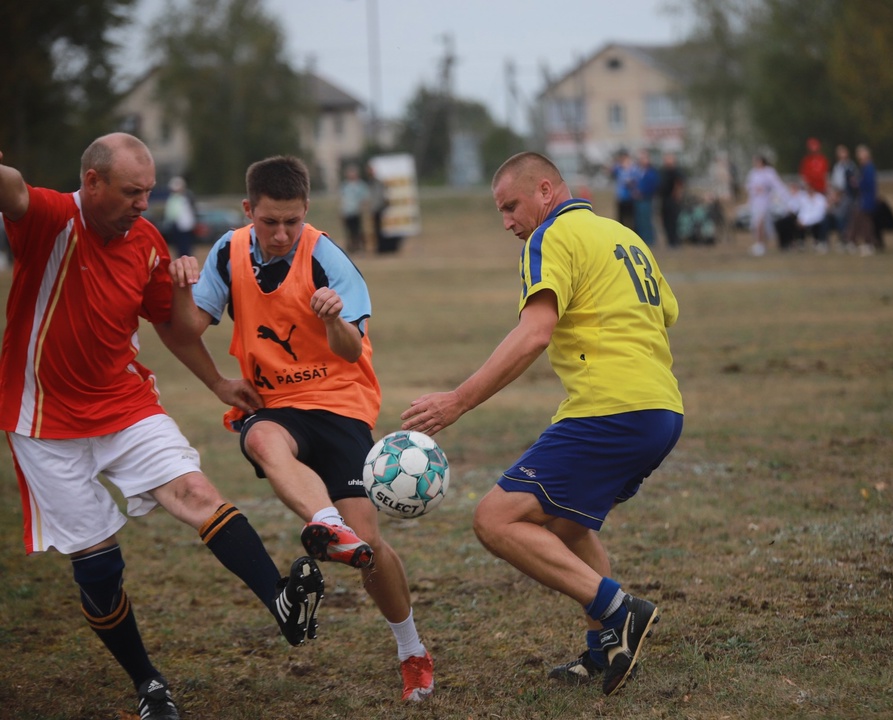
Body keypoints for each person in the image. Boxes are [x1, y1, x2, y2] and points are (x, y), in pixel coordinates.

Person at [0, 134, 323, 720]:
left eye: (148, 191)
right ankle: (149, 685)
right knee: (100, 567)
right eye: (132, 192)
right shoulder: (52, 218)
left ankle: (281, 603)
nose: (144, 204)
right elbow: (14, 193)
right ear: (92, 183)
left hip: (125, 405)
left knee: (197, 491)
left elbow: (175, 328)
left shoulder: (146, 240)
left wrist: (217, 378)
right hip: (44, 420)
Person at [400, 151, 683, 697]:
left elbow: (535, 332)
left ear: (547, 191)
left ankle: (620, 611)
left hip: (612, 409)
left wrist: (458, 400)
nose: (508, 221)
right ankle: (604, 650)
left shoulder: (549, 239)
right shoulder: (624, 236)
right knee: (568, 527)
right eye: (500, 212)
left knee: (495, 519)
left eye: (512, 206)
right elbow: (665, 310)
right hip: (660, 410)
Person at [166, 155, 435, 703]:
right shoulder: (227, 251)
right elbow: (186, 327)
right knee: (261, 438)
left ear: (306, 211)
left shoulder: (328, 257)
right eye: (269, 222)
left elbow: (349, 349)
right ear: (249, 211)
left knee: (370, 546)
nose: (282, 233)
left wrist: (333, 315)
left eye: (292, 220)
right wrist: (180, 287)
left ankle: (412, 650)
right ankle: (326, 522)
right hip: (275, 404)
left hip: (341, 404)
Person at [745, 152, 788, 256]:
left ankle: (760, 244)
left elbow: (776, 185)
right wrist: (754, 190)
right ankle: (761, 244)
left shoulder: (769, 172)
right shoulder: (753, 173)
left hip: (765, 201)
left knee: (761, 222)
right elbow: (748, 185)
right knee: (757, 223)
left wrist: (784, 197)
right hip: (755, 201)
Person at [828, 144, 858, 251]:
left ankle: (849, 239)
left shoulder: (851, 166)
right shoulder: (837, 167)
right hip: (838, 196)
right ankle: (843, 238)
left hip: (848, 195)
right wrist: (833, 196)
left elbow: (853, 182)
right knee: (840, 217)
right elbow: (835, 183)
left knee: (849, 218)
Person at [849, 144, 878, 255]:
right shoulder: (864, 167)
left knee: (866, 221)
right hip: (864, 198)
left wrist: (857, 183)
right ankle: (858, 241)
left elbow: (868, 184)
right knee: (861, 220)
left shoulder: (869, 168)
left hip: (867, 199)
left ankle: (868, 243)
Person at [163, 175, 197, 258]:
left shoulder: (187, 197)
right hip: (176, 226)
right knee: (179, 248)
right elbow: (170, 214)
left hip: (185, 227)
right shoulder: (172, 199)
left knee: (186, 248)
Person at [657, 152, 685, 248]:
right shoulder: (663, 172)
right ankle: (670, 241)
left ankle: (675, 242)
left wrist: (677, 196)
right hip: (664, 200)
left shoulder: (677, 172)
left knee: (674, 222)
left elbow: (679, 185)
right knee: (666, 221)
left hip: (672, 200)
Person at [339, 164, 369, 254]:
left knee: (358, 230)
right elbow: (343, 199)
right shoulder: (345, 186)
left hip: (357, 211)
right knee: (349, 230)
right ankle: (352, 247)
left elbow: (364, 198)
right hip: (347, 211)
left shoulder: (360, 185)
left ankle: (360, 247)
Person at [632, 149, 659, 247]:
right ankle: (641, 239)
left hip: (646, 199)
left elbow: (652, 185)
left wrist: (642, 193)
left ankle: (649, 240)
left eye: (644, 158)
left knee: (646, 219)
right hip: (638, 199)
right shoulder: (638, 171)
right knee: (639, 220)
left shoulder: (651, 172)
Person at [611, 151, 636, 230]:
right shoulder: (619, 169)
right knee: (620, 217)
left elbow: (635, 182)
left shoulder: (632, 170)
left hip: (630, 198)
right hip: (621, 197)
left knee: (631, 218)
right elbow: (611, 171)